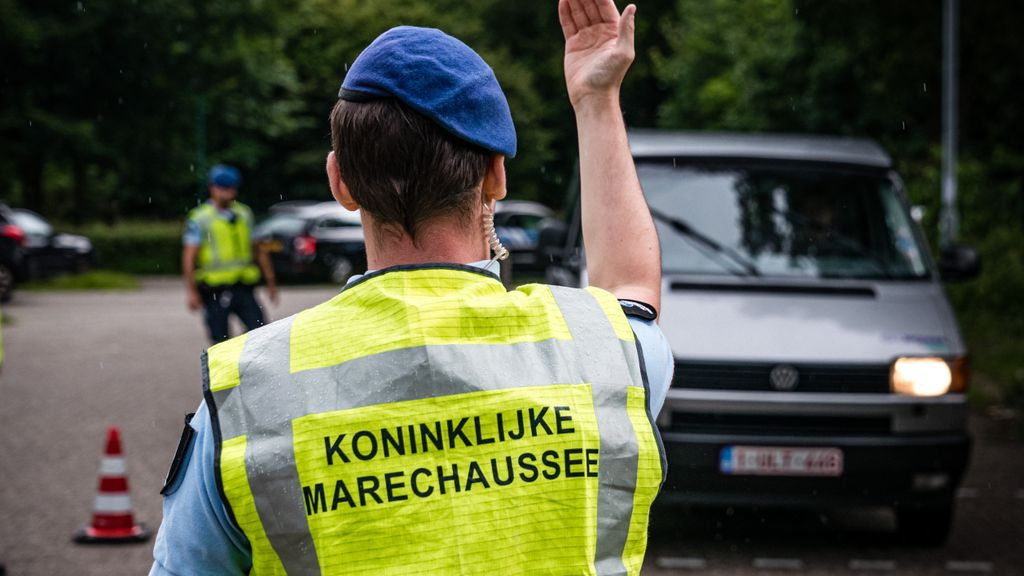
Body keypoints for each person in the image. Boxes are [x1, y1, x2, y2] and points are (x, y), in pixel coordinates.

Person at [151, 1, 673, 574]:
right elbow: (630, 284)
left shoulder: (244, 397)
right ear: (496, 176)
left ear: (340, 183)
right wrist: (597, 100)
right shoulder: (601, 350)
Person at [182, 164, 278, 343]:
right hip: (215, 288)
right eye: (223, 187)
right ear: (212, 187)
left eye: (231, 188)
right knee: (220, 342)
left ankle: (250, 371)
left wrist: (270, 281)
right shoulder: (200, 218)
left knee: (261, 335)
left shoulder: (243, 213)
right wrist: (191, 291)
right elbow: (189, 256)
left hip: (243, 285)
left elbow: (258, 250)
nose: (228, 193)